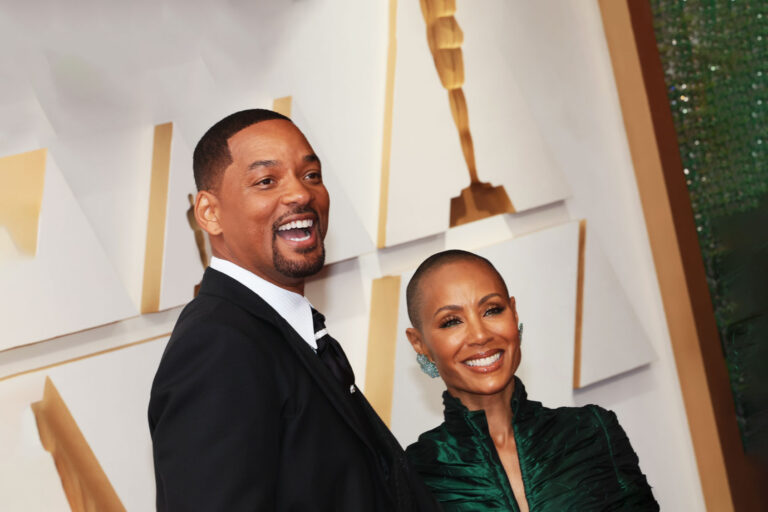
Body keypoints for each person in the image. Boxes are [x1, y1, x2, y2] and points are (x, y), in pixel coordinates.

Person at [148, 109, 440, 511]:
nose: (301, 194)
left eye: (311, 175)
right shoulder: (217, 346)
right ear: (209, 213)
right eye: (266, 181)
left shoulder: (278, 331)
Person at [403, 249, 659, 511]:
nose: (480, 335)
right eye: (451, 321)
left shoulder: (592, 432)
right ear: (419, 343)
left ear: (513, 314)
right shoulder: (411, 475)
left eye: (492, 310)